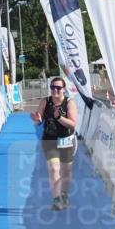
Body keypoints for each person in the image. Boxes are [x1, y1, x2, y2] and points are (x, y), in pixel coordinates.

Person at [31, 77, 79, 210]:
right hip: (49, 140)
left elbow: (73, 124)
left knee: (66, 172)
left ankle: (64, 195)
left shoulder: (69, 103)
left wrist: (59, 117)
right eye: (52, 87)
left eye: (58, 88)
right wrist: (37, 119)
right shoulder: (45, 101)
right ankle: (56, 199)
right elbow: (39, 120)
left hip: (66, 140)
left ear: (63, 89)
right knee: (53, 169)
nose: (55, 90)